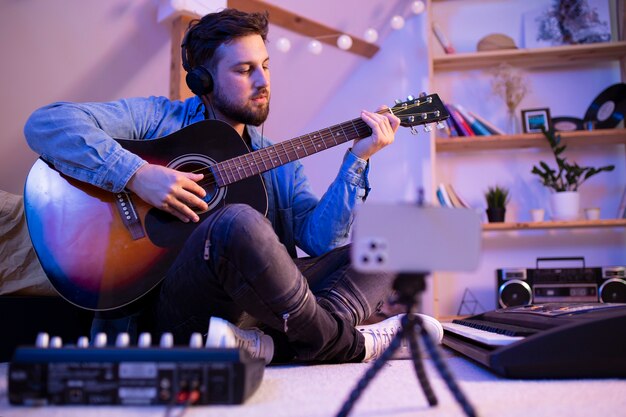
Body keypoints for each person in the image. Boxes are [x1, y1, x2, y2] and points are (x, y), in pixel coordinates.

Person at [24, 8, 427, 364]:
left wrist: (357, 159)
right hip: (177, 310)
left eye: (265, 66)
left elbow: (321, 241)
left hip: (263, 312)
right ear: (204, 80)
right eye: (244, 70)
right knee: (236, 221)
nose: (262, 81)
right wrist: (137, 175)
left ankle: (276, 345)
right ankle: (344, 344)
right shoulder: (156, 120)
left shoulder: (279, 160)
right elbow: (47, 123)